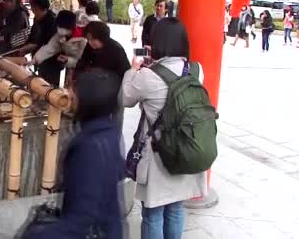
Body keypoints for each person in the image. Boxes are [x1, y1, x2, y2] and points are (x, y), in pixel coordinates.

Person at [121, 18, 207, 239]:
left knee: (153, 214)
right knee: (176, 209)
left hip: (159, 155)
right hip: (185, 148)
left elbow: (125, 99)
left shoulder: (147, 76)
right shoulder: (197, 70)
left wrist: (133, 69)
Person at [22, 69, 125, 239]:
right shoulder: (110, 131)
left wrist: (35, 235)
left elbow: (81, 219)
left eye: (74, 91)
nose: (69, 94)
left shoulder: (88, 146)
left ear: (89, 100)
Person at [17, 0, 60, 86]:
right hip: (39, 57)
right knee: (40, 82)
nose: (31, 9)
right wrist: (25, 46)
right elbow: (32, 36)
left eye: (32, 6)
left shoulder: (52, 21)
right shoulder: (37, 18)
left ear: (36, 7)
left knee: (48, 86)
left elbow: (49, 43)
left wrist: (33, 46)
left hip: (51, 60)